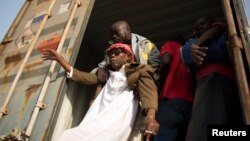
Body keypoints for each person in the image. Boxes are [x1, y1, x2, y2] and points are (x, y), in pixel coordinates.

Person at [41, 43, 159, 141]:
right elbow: (82, 76)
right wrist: (59, 59)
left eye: (117, 53)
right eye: (110, 54)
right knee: (69, 136)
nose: (112, 56)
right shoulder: (105, 73)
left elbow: (148, 92)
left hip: (118, 117)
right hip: (97, 115)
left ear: (129, 57)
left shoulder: (140, 70)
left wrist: (150, 116)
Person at [181, 16, 243, 141]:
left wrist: (198, 45)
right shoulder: (191, 42)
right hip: (207, 83)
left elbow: (221, 50)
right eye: (198, 26)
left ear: (213, 23)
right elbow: (187, 55)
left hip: (218, 80)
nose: (200, 26)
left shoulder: (225, 33)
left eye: (203, 23)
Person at [154, 35, 193, 141]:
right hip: (190, 103)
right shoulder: (189, 52)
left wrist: (160, 85)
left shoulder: (170, 45)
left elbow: (165, 61)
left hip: (170, 100)